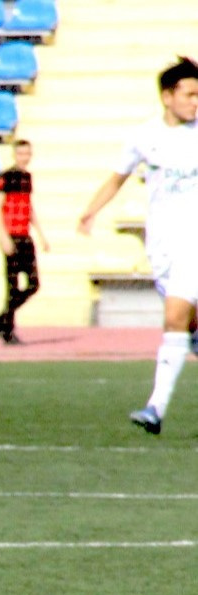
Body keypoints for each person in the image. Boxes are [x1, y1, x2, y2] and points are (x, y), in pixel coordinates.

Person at [80, 56, 198, 435]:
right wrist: (91, 211)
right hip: (162, 246)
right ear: (167, 96)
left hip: (194, 243)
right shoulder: (145, 136)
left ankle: (155, 408)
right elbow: (117, 177)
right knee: (187, 324)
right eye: (189, 94)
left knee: (174, 316)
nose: (195, 102)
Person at [0, 140, 49, 345]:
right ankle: (8, 330)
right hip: (11, 235)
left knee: (33, 284)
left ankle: (2, 318)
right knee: (12, 287)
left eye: (27, 153)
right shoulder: (6, 176)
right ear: (15, 155)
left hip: (25, 236)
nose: (25, 157)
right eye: (21, 153)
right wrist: (3, 236)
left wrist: (41, 234)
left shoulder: (27, 177)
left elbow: (28, 206)